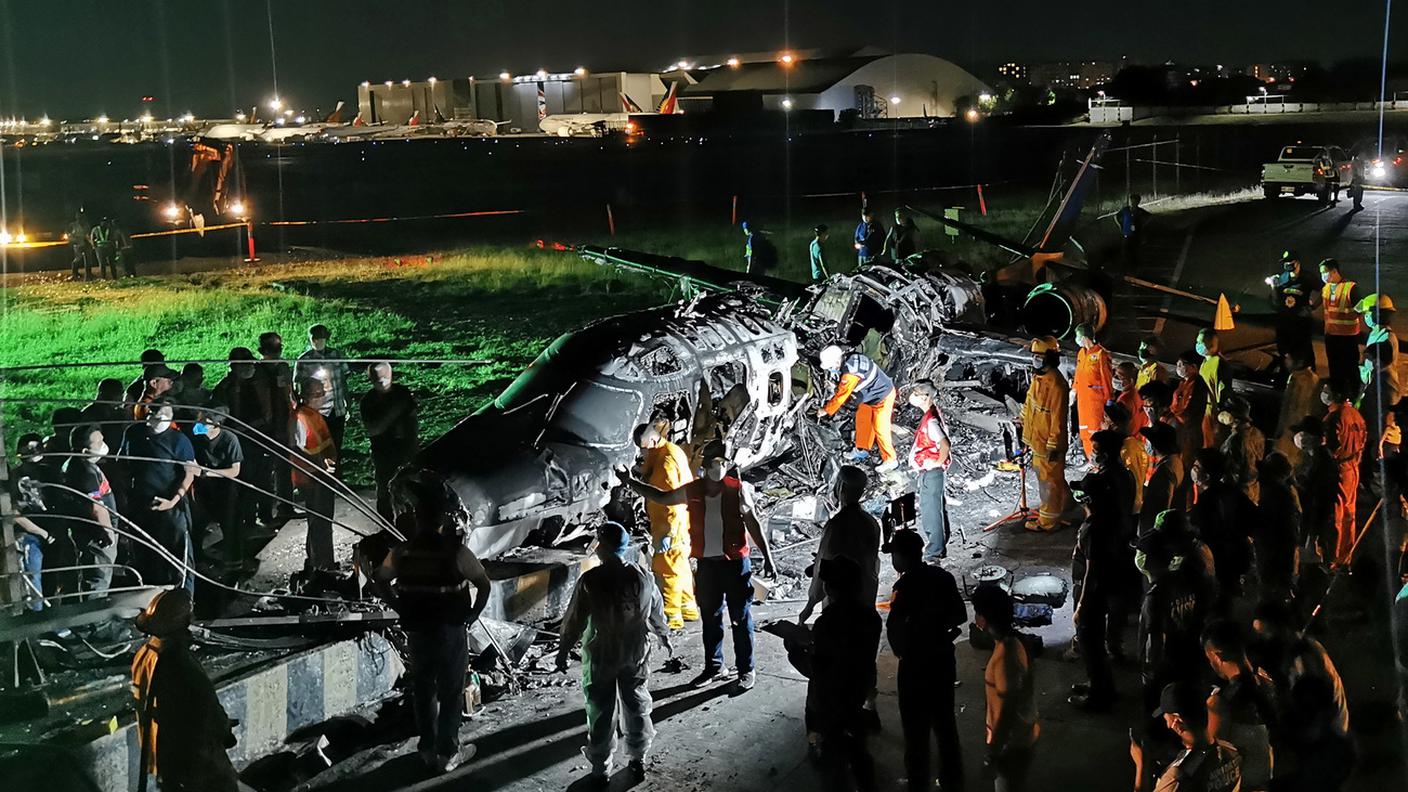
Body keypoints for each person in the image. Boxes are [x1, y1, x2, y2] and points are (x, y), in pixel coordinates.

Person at [618, 443, 776, 691]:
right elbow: (661, 497)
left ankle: (746, 669)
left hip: (734, 565)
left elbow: (753, 522)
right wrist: (630, 482)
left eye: (723, 463)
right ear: (704, 466)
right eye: (715, 462)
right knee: (710, 619)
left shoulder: (738, 490)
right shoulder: (693, 490)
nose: (719, 467)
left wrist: (768, 557)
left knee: (740, 619)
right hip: (707, 566)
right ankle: (714, 666)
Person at [378, 476, 491, 773]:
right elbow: (484, 585)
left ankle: (427, 749)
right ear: (443, 519)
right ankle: (448, 752)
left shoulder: (402, 552)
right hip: (450, 630)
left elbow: (380, 580)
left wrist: (398, 604)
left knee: (423, 690)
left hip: (417, 631)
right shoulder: (457, 551)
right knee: (451, 691)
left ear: (417, 519)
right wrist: (472, 615)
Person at [557, 522, 672, 786]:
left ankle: (601, 768)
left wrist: (564, 649)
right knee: (637, 704)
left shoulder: (592, 580)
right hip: (635, 651)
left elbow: (575, 619)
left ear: (603, 546)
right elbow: (656, 610)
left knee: (600, 709)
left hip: (602, 653)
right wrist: (663, 636)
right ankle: (638, 758)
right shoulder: (642, 576)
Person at [131, 589, 240, 792]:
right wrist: (224, 729)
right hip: (195, 761)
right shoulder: (178, 661)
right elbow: (208, 709)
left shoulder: (144, 655)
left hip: (163, 757)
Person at [886, 529, 967, 792]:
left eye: (894, 555)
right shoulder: (942, 577)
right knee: (945, 723)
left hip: (914, 666)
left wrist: (905, 648)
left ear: (901, 557)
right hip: (942, 659)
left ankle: (918, 781)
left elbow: (895, 630)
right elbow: (960, 615)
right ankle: (952, 778)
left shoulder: (903, 587)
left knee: (915, 728)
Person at [1069, 430, 1136, 711]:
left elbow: (1092, 570)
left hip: (1099, 582)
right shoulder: (1124, 476)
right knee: (1098, 636)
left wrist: (1082, 605)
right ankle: (1098, 683)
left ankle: (1100, 692)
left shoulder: (1095, 527)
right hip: (1118, 558)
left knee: (1089, 637)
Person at [806, 557, 882, 792]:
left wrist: (800, 649)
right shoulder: (871, 617)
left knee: (834, 757)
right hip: (859, 690)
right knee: (858, 749)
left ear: (830, 588)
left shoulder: (826, 623)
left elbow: (820, 668)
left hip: (833, 698)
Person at [1137, 513, 1213, 723]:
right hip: (1190, 650)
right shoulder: (1192, 571)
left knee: (1158, 709)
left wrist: (1150, 671)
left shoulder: (1158, 595)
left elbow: (1154, 638)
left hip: (1167, 661)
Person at [119, 401, 198, 593]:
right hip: (141, 505)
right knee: (145, 552)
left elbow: (190, 473)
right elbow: (122, 464)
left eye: (163, 413)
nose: (157, 417)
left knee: (178, 555)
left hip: (171, 506)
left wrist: (173, 501)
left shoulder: (179, 441)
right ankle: (150, 597)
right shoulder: (133, 433)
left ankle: (183, 599)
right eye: (153, 412)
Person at [632, 422, 700, 629]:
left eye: (644, 447)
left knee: (667, 569)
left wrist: (667, 533)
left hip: (671, 524)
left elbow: (670, 500)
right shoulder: (669, 449)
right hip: (680, 522)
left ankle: (671, 619)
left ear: (653, 440)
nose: (643, 451)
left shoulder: (666, 462)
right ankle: (688, 609)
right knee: (681, 567)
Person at [972, 584, 1040, 792]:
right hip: (1021, 736)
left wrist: (993, 751)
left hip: (1012, 744)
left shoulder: (1005, 656)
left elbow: (1007, 709)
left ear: (982, 620)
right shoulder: (1015, 642)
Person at [1249, 599, 1350, 738]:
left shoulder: (1305, 657)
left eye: (1266, 633)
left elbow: (1314, 710)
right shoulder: (1291, 651)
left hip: (1325, 737)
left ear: (1281, 629)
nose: (1262, 641)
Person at [1202, 620, 1277, 791]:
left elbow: (1214, 758)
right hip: (1270, 782)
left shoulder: (1221, 702)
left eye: (1209, 658)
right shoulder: (1268, 683)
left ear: (1217, 655)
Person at [799, 465, 881, 621]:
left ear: (841, 487)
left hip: (839, 604)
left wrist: (809, 607)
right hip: (865, 599)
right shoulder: (871, 523)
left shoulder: (836, 524)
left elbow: (823, 569)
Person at [1131, 681, 1243, 792]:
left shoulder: (1177, 777)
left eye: (1167, 720)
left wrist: (1141, 766)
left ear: (1178, 722)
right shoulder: (1232, 751)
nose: (1168, 726)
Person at [818, 345, 898, 472]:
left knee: (880, 428)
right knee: (863, 420)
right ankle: (862, 449)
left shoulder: (850, 373)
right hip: (870, 395)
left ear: (837, 361)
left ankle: (891, 459)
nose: (831, 369)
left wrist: (826, 410)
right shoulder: (852, 359)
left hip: (883, 396)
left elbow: (841, 396)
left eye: (830, 367)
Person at [1188, 449, 1253, 602]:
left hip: (1217, 558)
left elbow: (1199, 531)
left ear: (1207, 474)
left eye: (1197, 466)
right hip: (1237, 556)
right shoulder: (1234, 492)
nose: (1194, 469)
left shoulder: (1207, 501)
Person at [1021, 336, 1071, 531]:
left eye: (1039, 356)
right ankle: (1064, 505)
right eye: (1034, 355)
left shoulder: (1057, 385)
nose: (1035, 359)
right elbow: (1030, 405)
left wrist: (1053, 446)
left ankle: (1048, 522)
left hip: (1048, 445)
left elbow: (1058, 419)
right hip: (1037, 440)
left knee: (1048, 483)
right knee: (1053, 479)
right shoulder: (1038, 379)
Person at [63, 424, 119, 598]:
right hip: (97, 535)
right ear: (85, 450)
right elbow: (96, 507)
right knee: (98, 577)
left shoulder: (84, 465)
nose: (103, 444)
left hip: (96, 531)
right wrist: (109, 532)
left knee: (98, 575)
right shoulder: (83, 470)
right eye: (99, 442)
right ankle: (95, 624)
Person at [361, 362, 419, 521]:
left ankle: (410, 524)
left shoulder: (402, 393)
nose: (382, 381)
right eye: (378, 378)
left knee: (410, 488)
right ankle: (387, 527)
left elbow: (413, 419)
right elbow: (374, 428)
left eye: (385, 376)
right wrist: (398, 409)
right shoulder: (369, 400)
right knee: (385, 489)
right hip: (383, 452)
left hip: (406, 449)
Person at [292, 377, 338, 570]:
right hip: (311, 477)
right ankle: (321, 565)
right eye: (321, 393)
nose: (324, 397)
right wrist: (319, 464)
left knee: (323, 521)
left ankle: (321, 561)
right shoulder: (300, 418)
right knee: (319, 522)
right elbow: (296, 448)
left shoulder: (313, 415)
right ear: (312, 396)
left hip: (320, 474)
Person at [191, 408, 245, 571]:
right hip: (203, 489)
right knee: (198, 524)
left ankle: (234, 563)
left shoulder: (230, 439)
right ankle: (198, 558)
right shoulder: (196, 439)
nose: (198, 425)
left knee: (230, 525)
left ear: (216, 424)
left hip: (225, 490)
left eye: (203, 422)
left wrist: (206, 473)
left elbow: (235, 471)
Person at [907, 379, 954, 561]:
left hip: (931, 473)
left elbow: (945, 444)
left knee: (931, 511)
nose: (913, 397)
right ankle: (940, 545)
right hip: (933, 472)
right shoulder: (932, 414)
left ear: (926, 397)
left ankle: (934, 551)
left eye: (917, 394)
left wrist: (936, 462)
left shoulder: (931, 421)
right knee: (938, 508)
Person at [12, 434, 59, 610]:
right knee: (33, 578)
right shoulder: (14, 477)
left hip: (54, 532)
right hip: (30, 535)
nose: (32, 451)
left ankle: (53, 618)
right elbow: (14, 512)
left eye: (35, 447)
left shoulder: (50, 472)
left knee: (53, 578)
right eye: (27, 448)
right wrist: (42, 533)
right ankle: (37, 622)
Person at [1322, 382, 1366, 568]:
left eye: (1326, 390)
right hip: (1353, 467)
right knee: (1349, 513)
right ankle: (1346, 556)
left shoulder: (1334, 418)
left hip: (1340, 469)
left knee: (1337, 515)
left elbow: (1330, 446)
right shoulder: (1356, 415)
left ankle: (1333, 557)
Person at [256, 332, 296, 525]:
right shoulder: (256, 371)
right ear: (262, 351)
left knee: (284, 467)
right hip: (264, 426)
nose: (276, 353)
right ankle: (264, 514)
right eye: (272, 349)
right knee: (264, 471)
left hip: (283, 422)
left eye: (278, 348)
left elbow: (289, 393)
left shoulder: (283, 368)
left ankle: (285, 507)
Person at [1253, 453, 1301, 602]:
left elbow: (1287, 531)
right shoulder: (1282, 491)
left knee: (1274, 588)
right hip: (1276, 549)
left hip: (1274, 550)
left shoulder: (1278, 495)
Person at [1290, 417, 1338, 564]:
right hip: (1315, 516)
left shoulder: (1321, 461)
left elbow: (1317, 492)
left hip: (1316, 517)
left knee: (1313, 556)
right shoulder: (1316, 457)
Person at [296, 324, 352, 449]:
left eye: (320, 338)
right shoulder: (304, 359)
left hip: (337, 409)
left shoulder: (336, 355)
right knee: (318, 446)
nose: (317, 341)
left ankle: (335, 467)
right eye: (314, 338)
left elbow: (344, 379)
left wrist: (348, 402)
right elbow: (298, 385)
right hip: (317, 412)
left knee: (336, 445)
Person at [1269, 250, 1320, 372]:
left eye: (1289, 262)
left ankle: (1310, 378)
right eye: (1285, 262)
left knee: (1305, 351)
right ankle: (1286, 377)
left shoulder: (1307, 277)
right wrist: (1273, 286)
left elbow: (1324, 291)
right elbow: (1276, 301)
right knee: (1285, 351)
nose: (1287, 265)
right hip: (1285, 320)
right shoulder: (1282, 278)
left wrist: (1313, 307)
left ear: (1297, 262)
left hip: (1301, 321)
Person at [1319, 259, 1363, 396]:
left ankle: (1354, 394)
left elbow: (1360, 309)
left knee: (1350, 368)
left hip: (1348, 337)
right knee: (1334, 366)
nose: (1323, 276)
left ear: (1334, 271)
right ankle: (1337, 392)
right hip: (1331, 336)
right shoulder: (1326, 288)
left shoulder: (1350, 288)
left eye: (1325, 272)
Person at [1074, 323, 1115, 459]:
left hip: (1095, 403)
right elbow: (1078, 375)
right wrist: (1074, 390)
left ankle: (1099, 461)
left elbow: (1107, 379)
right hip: (1083, 402)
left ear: (1085, 337)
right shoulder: (1081, 354)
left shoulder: (1101, 355)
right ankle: (1091, 460)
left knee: (1095, 434)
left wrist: (1109, 402)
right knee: (1084, 432)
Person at [1274, 353, 1321, 466]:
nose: (1286, 361)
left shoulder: (1306, 381)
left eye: (1288, 358)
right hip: (1291, 429)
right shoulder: (1297, 377)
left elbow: (1299, 407)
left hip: (1294, 431)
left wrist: (1294, 429)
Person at [1217, 394, 1265, 504]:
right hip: (1253, 490)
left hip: (1236, 494)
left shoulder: (1236, 440)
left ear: (1232, 416)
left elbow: (1232, 472)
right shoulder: (1257, 433)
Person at [1139, 423, 1184, 537]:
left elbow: (1157, 507)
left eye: (1149, 441)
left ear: (1156, 445)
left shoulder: (1164, 471)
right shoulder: (1174, 461)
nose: (1147, 443)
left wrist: (1146, 538)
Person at [1169, 352, 1209, 471]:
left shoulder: (1197, 385)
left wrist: (1175, 416)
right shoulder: (1184, 383)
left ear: (1194, 367)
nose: (1178, 367)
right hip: (1180, 427)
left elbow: (1189, 410)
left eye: (1182, 364)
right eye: (1177, 364)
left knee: (1185, 463)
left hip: (1188, 431)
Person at [1197, 330, 1232, 447]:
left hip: (1211, 411)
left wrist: (1219, 412)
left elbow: (1224, 390)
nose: (1198, 344)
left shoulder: (1220, 364)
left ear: (1212, 345)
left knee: (1209, 444)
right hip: (1202, 409)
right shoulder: (1204, 362)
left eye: (1201, 342)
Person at [1116, 193, 1152, 269]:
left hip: (1136, 234)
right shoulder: (1125, 210)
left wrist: (1144, 225)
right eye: (1132, 201)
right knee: (1125, 250)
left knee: (1135, 250)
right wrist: (1121, 226)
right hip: (1126, 234)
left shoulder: (1140, 211)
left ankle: (1135, 265)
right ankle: (1126, 266)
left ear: (1138, 202)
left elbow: (1150, 216)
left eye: (1135, 201)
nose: (1133, 203)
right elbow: (1116, 216)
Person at [1115, 361, 1148, 435]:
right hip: (1140, 437)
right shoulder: (1141, 393)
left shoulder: (1124, 399)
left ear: (1131, 380)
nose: (1115, 378)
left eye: (1119, 377)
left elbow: (1120, 425)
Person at [67, 211, 95, 281]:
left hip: (86, 243)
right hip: (77, 243)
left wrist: (91, 243)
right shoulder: (73, 225)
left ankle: (89, 274)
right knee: (78, 259)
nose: (81, 219)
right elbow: (68, 234)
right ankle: (75, 273)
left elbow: (88, 234)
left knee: (88, 259)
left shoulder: (86, 225)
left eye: (82, 217)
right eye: (79, 217)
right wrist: (73, 240)